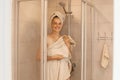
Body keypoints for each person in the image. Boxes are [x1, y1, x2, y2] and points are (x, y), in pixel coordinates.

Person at [36, 11, 76, 80]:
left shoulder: (65, 38)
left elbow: (69, 56)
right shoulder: (46, 38)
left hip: (63, 71)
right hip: (51, 70)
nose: (57, 26)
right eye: (55, 23)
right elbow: (38, 57)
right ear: (51, 24)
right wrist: (53, 57)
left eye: (59, 24)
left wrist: (67, 44)